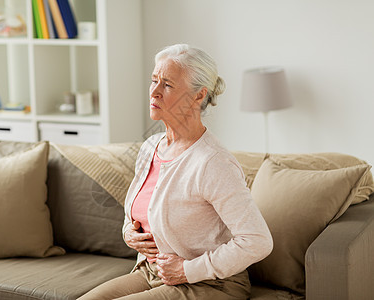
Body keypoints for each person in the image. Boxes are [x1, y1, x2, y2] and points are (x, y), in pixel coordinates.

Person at [78, 44, 273, 300]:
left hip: (211, 283)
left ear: (198, 96)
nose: (154, 92)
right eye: (154, 81)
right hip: (152, 273)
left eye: (167, 85)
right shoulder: (150, 148)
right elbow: (137, 213)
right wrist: (129, 233)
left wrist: (187, 270)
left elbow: (257, 240)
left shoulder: (212, 163)